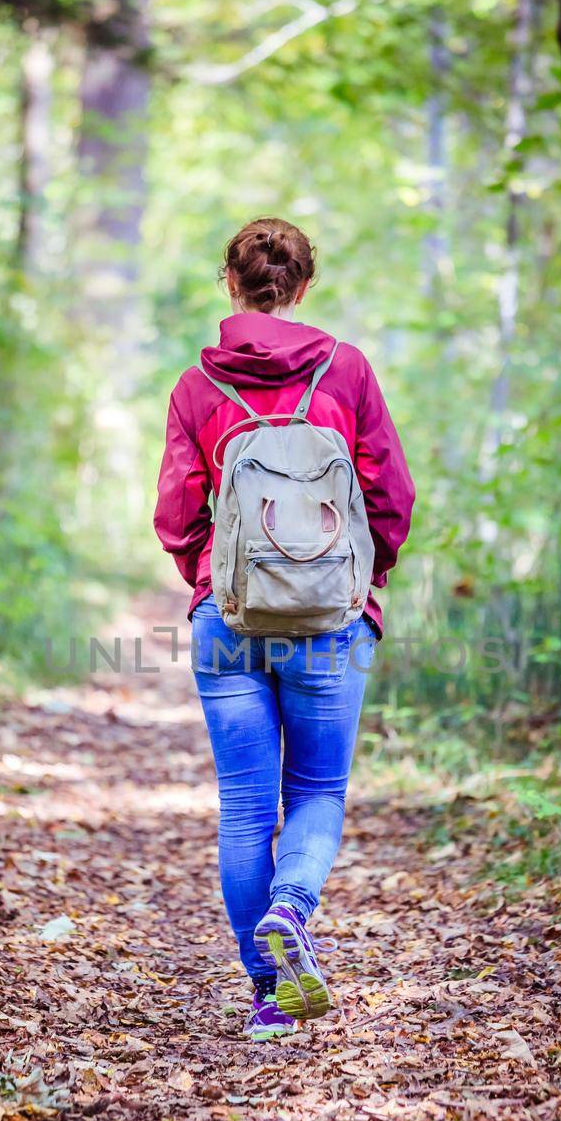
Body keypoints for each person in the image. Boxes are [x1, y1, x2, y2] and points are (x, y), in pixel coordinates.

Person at [153, 218, 414, 1042]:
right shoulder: (347, 371)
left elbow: (176, 515)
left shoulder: (198, 388)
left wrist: (211, 581)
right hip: (330, 622)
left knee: (242, 808)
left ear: (230, 285)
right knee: (316, 792)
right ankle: (293, 909)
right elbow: (390, 497)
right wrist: (359, 583)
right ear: (301, 287)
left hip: (227, 619)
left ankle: (267, 995)